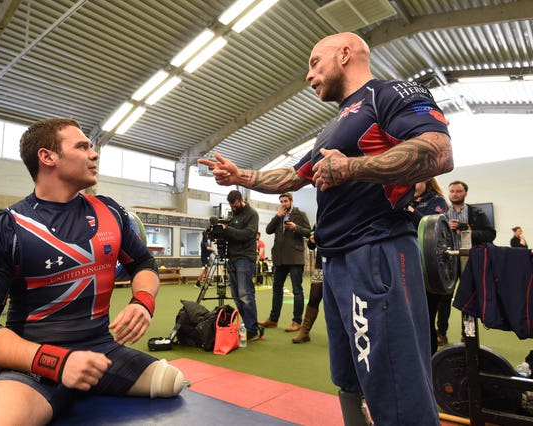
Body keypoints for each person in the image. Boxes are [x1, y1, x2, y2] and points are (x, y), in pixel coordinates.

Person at [198, 32, 453, 426]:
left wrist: (351, 167)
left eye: (315, 62)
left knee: (396, 388)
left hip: (376, 250)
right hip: (336, 262)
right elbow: (293, 176)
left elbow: (438, 150)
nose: (309, 75)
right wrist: (241, 175)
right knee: (349, 380)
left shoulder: (387, 94)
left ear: (345, 54)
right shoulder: (332, 127)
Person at [0, 118, 184, 426]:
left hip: (101, 354)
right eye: (82, 146)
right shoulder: (4, 229)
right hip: (33, 363)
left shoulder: (110, 212)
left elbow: (143, 264)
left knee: (171, 381)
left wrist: (143, 301)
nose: (94, 154)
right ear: (48, 157)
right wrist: (58, 363)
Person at [437, 180, 496, 346]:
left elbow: (490, 234)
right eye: (452, 191)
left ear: (465, 193)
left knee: (468, 298)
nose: (455, 194)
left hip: (469, 260)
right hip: (447, 261)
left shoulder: (476, 212)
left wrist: (468, 230)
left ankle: (468, 334)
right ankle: (441, 334)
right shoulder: (442, 214)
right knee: (444, 299)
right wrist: (444, 228)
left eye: (458, 191)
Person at [406, 178, 448, 355]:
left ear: (427, 181)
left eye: (416, 181)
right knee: (407, 318)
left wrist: (409, 210)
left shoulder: (436, 201)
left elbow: (430, 227)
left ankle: (429, 362)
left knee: (426, 318)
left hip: (429, 268)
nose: (412, 185)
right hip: (406, 263)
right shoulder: (403, 200)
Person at [214, 189, 262, 342]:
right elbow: (232, 234)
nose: (233, 209)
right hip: (232, 258)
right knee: (236, 296)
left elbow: (247, 234)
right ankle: (249, 325)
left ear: (241, 200)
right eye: (231, 206)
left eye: (235, 206)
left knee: (245, 295)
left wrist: (227, 229)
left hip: (245, 258)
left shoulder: (252, 214)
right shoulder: (233, 215)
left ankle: (252, 329)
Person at [259, 192, 311, 332]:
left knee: (297, 290)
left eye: (285, 201)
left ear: (291, 201)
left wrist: (296, 228)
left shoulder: (300, 214)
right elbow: (268, 230)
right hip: (280, 258)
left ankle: (296, 321)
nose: (283, 204)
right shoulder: (279, 216)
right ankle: (273, 319)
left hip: (295, 257)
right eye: (281, 201)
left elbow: (309, 232)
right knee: (276, 289)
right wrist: (277, 216)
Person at [292, 226, 323, 344]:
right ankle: (304, 332)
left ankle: (344, 335)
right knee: (314, 298)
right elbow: (311, 246)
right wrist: (311, 240)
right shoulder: (318, 222)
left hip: (339, 265)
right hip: (321, 266)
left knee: (339, 302)